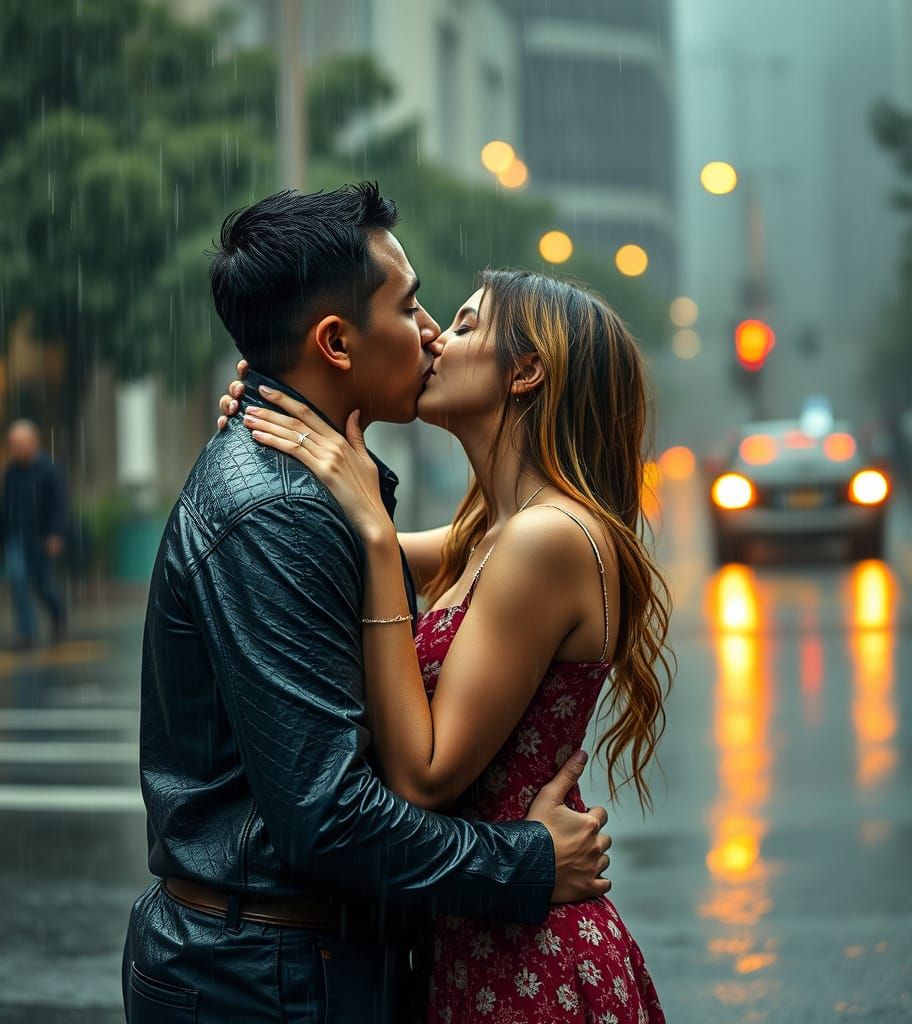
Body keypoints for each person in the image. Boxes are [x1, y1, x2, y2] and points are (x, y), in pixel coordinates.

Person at [122, 184, 615, 1024]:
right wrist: (524, 864)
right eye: (417, 306)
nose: (429, 332)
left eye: (455, 320)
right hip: (267, 976)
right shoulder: (281, 509)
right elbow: (332, 819)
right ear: (336, 342)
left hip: (320, 957)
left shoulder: (322, 497)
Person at [224, 268, 672, 1022]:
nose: (434, 335)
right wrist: (287, 403)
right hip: (478, 933)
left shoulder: (546, 538)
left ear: (525, 370)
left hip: (530, 961)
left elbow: (424, 778)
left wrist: (370, 528)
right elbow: (326, 553)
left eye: (465, 325)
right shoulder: (487, 534)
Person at [0, 419, 68, 649]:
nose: (15, 449)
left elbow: (60, 504)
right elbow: (3, 507)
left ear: (33, 443)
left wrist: (56, 533)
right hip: (17, 536)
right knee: (17, 578)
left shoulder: (49, 469)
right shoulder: (10, 474)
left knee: (43, 584)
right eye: (12, 444)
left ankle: (58, 613)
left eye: (19, 443)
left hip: (42, 536)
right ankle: (26, 631)